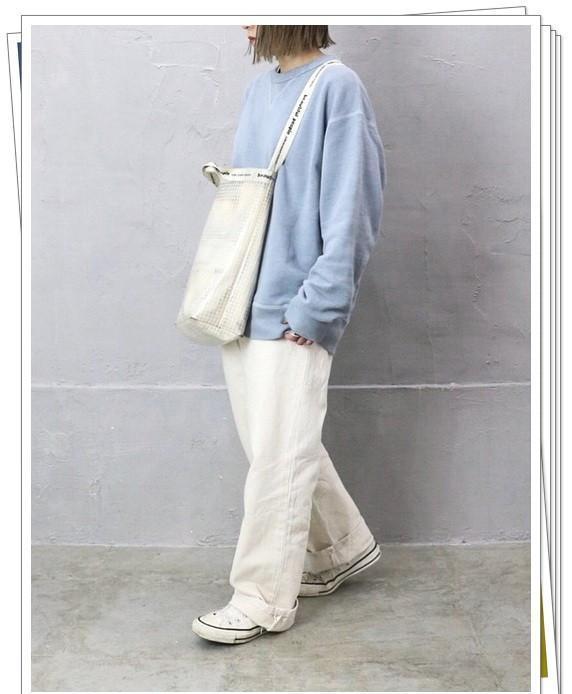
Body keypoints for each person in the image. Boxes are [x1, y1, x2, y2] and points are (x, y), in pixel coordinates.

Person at [192, 25, 387, 644]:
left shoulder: (337, 88)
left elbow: (354, 205)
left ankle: (261, 600)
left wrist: (318, 306)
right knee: (278, 449)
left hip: (294, 311)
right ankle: (340, 549)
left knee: (279, 462)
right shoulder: (259, 90)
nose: (244, 20)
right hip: (241, 302)